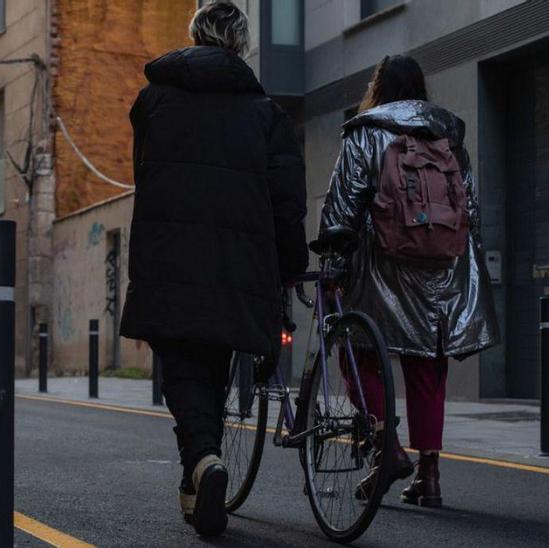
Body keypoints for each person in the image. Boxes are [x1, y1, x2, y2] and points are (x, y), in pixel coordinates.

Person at [120, 1, 307, 537]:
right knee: (213, 362)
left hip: (168, 252)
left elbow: (146, 175)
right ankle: (197, 476)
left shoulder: (152, 101)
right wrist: (289, 267)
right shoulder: (267, 114)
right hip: (237, 263)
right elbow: (286, 202)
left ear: (195, 35)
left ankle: (204, 462)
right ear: (242, 44)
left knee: (181, 367)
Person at [318, 55, 500, 508]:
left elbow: (344, 205)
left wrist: (331, 264)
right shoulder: (447, 136)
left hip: (381, 264)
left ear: (377, 88)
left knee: (357, 352)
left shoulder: (365, 132)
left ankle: (387, 445)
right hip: (441, 270)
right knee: (427, 368)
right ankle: (430, 476)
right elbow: (470, 211)